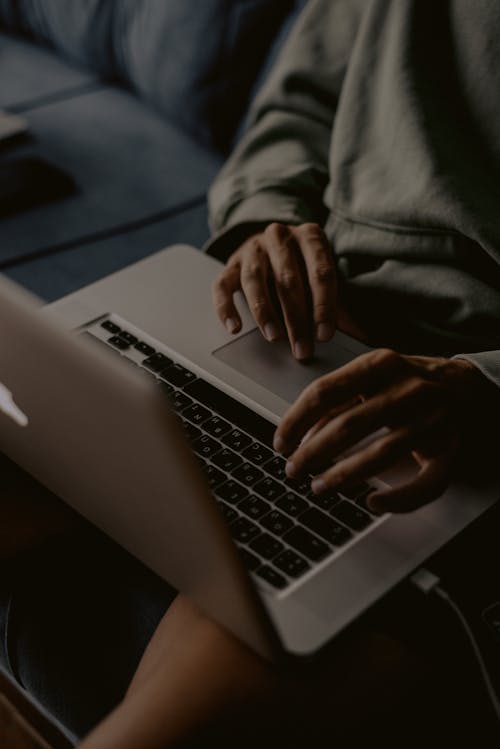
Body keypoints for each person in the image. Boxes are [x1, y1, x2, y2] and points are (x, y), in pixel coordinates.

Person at [79, 0, 500, 746]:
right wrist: (262, 221)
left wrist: (483, 386)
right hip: (310, 312)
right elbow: (300, 103)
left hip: (452, 405)